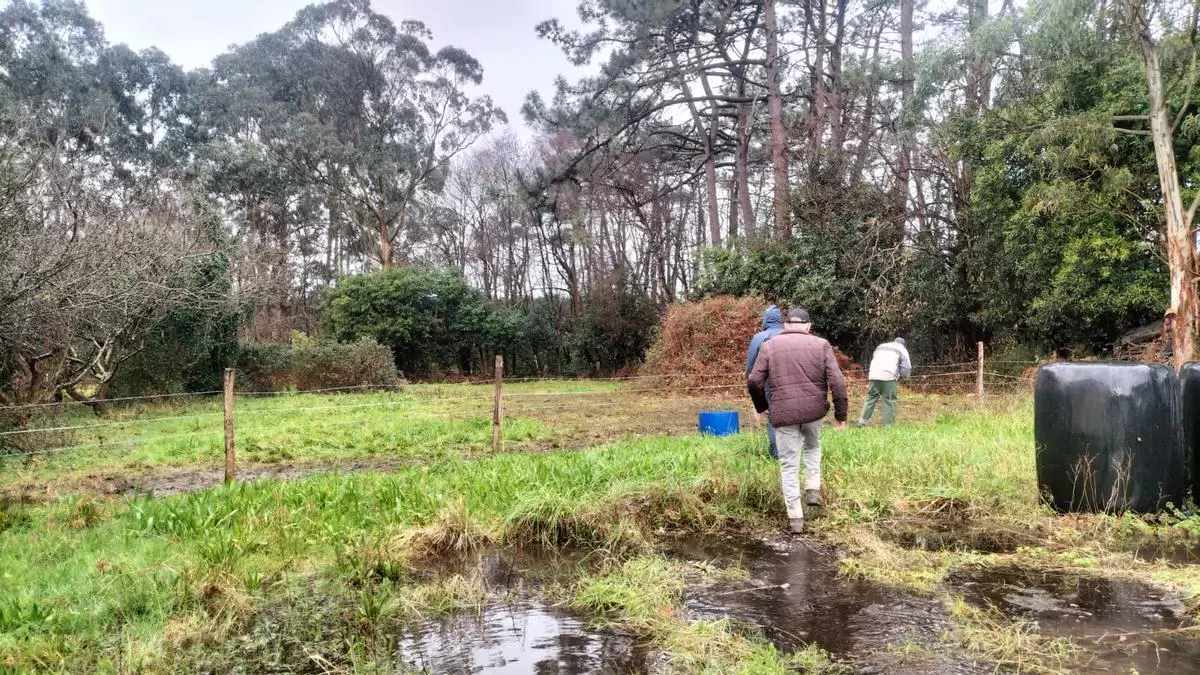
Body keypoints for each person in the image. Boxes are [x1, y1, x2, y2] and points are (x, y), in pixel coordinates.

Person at [747, 308, 848, 535]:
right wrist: (841, 415)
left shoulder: (769, 346)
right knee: (813, 446)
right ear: (808, 327)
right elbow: (838, 382)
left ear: (785, 326)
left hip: (783, 415)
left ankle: (796, 519)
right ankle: (813, 488)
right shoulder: (821, 345)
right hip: (814, 412)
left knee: (789, 464)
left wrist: (763, 406)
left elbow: (754, 380)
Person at [745, 304, 783, 459]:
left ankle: (776, 454)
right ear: (781, 319)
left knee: (774, 418)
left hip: (770, 383)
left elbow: (750, 366)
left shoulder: (759, 338)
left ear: (765, 320)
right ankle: (794, 452)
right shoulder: (790, 334)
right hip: (794, 381)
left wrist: (753, 389)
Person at [857, 337, 912, 427]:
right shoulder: (902, 349)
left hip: (873, 375)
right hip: (888, 377)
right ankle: (889, 426)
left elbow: (875, 358)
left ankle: (862, 422)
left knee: (871, 397)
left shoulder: (881, 346)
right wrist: (903, 376)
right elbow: (907, 368)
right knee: (890, 400)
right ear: (904, 344)